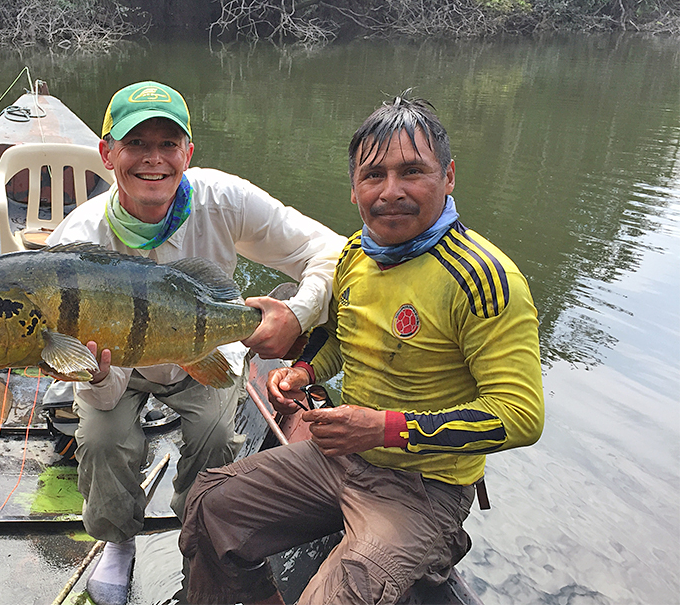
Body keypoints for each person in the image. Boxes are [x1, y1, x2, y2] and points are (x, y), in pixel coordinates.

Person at [178, 94, 545, 604]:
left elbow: (521, 416)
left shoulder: (484, 279)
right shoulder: (354, 257)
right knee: (210, 504)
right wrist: (304, 372)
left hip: (425, 487)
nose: (390, 191)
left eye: (411, 171)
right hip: (344, 459)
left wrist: (385, 427)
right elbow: (340, 341)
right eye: (373, 175)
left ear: (449, 176)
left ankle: (431, 549)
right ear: (354, 188)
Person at [42, 80, 346, 605]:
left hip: (202, 349)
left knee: (211, 435)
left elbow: (332, 252)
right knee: (102, 440)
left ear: (188, 151)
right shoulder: (76, 242)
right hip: (116, 366)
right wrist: (87, 371)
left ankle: (198, 527)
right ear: (107, 152)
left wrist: (296, 315)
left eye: (167, 144)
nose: (153, 159)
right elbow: (74, 366)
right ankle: (117, 542)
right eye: (136, 144)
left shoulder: (224, 199)